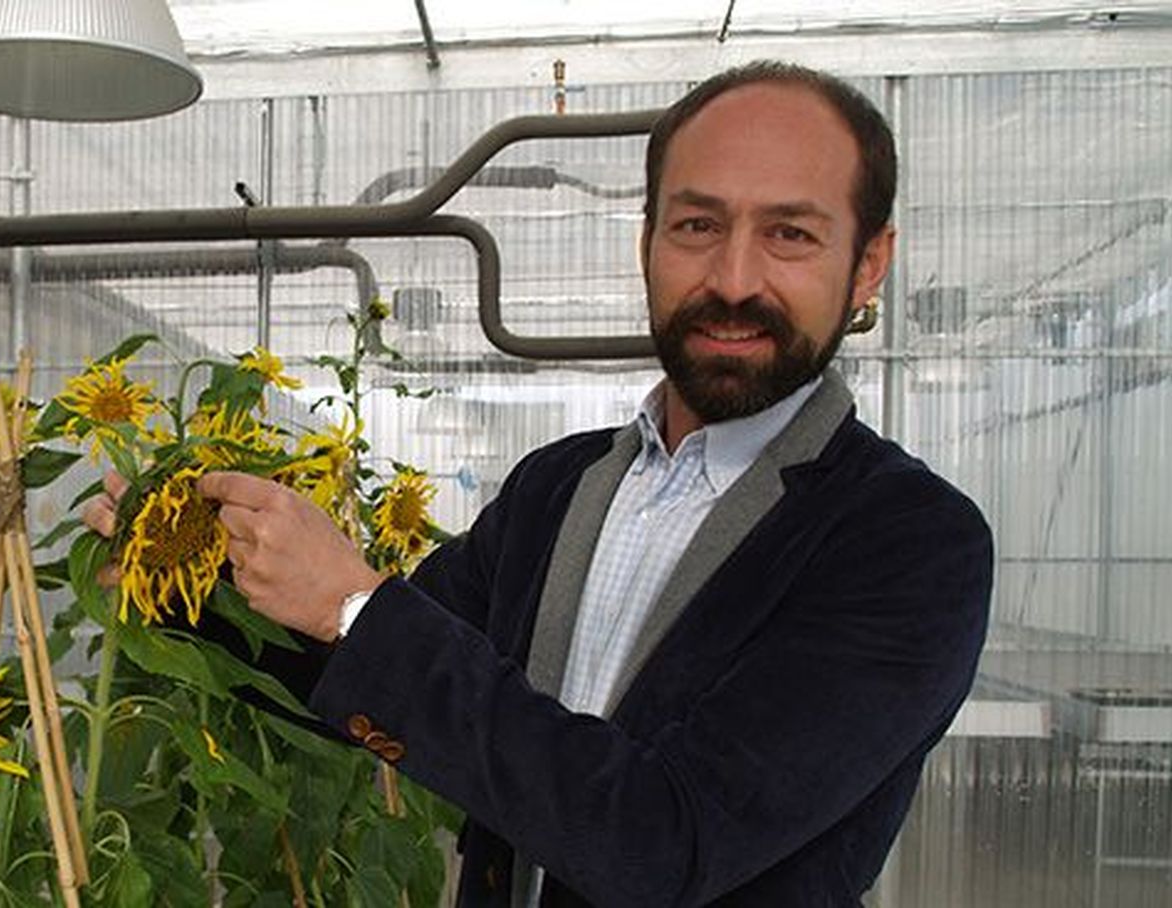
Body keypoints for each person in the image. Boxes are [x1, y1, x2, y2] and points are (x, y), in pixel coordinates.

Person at [84, 60, 993, 907]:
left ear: (869, 262)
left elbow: (663, 840)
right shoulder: (562, 486)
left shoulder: (907, 543)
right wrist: (186, 586)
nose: (732, 279)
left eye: (790, 233)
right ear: (648, 240)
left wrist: (356, 605)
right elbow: (356, 679)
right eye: (697, 225)